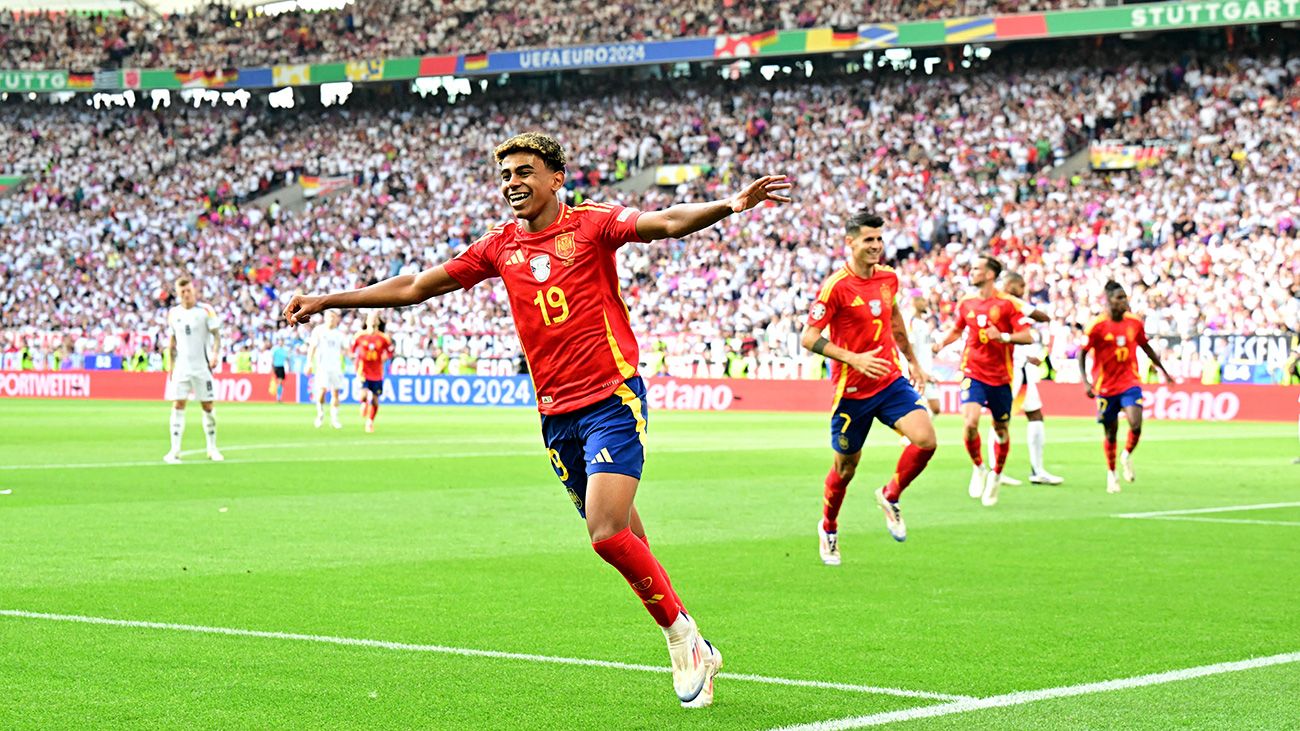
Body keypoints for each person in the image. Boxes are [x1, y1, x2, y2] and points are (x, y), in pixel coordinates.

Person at [282, 131, 791, 708]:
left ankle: (683, 640)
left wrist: (731, 205)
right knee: (626, 535)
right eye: (505, 176)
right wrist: (329, 299)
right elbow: (417, 287)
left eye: (524, 172)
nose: (513, 184)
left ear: (555, 178)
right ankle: (692, 633)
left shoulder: (594, 224)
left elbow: (666, 221)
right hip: (554, 415)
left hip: (610, 398)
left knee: (603, 531)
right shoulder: (499, 247)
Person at [802, 211, 936, 565]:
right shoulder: (836, 286)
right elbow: (809, 337)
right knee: (846, 468)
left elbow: (895, 322)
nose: (876, 246)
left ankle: (890, 495)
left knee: (926, 440)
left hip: (890, 380)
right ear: (850, 243)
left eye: (879, 239)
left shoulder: (889, 279)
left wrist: (914, 361)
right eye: (868, 240)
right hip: (852, 392)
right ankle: (828, 528)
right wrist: (854, 359)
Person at [933, 256, 1033, 507]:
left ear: (989, 274)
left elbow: (1027, 336)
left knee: (1001, 430)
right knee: (970, 423)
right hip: (972, 371)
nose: (971, 271)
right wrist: (941, 343)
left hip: (1000, 377)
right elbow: (957, 329)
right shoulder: (966, 302)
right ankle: (978, 467)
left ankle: (996, 475)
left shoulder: (1007, 304)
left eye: (976, 268)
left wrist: (1004, 337)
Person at [1078, 281, 1175, 493]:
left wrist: (1163, 371)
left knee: (1136, 424)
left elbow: (1146, 347)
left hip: (1129, 381)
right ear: (1109, 300)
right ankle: (1111, 473)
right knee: (1111, 433)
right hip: (1105, 386)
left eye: (1125, 297)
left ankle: (1127, 455)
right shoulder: (1096, 326)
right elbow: (1082, 353)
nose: (1124, 302)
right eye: (1119, 298)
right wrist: (1085, 380)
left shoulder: (1134, 323)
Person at [997, 272, 1064, 485]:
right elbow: (1042, 316)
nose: (1024, 289)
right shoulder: (1007, 301)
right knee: (1002, 418)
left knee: (1035, 414)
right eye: (1020, 285)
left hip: (1022, 366)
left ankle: (1037, 470)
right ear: (1009, 285)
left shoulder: (1007, 306)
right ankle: (995, 470)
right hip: (1009, 369)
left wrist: (1026, 356)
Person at [163, 276, 223, 464]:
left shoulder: (206, 311)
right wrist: (170, 366)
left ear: (194, 290)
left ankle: (212, 448)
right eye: (182, 292)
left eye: (188, 290)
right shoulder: (173, 313)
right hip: (181, 367)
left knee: (207, 406)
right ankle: (175, 450)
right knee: (178, 405)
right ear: (178, 293)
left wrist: (214, 354)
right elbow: (172, 342)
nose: (186, 294)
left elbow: (216, 336)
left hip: (202, 366)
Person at [352, 311, 394, 433]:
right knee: (364, 395)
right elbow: (352, 349)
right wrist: (356, 358)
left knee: (375, 400)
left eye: (375, 318)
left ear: (378, 321)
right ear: (366, 321)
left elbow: (390, 351)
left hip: (377, 373)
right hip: (363, 370)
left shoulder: (383, 337)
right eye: (371, 318)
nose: (373, 320)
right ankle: (363, 403)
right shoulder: (359, 336)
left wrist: (386, 357)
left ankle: (370, 422)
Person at [306, 310, 348, 429]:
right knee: (322, 391)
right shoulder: (318, 331)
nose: (331, 319)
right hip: (322, 367)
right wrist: (309, 363)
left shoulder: (340, 334)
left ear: (336, 319)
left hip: (336, 367)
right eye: (329, 316)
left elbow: (345, 350)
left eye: (333, 317)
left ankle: (334, 419)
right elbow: (312, 347)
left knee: (335, 393)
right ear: (325, 318)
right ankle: (320, 414)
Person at [270, 338, 289, 402]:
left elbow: (286, 358)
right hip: (277, 366)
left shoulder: (284, 350)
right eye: (279, 342)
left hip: (282, 367)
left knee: (280, 382)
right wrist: (272, 366)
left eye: (281, 342)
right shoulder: (275, 349)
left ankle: (279, 397)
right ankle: (278, 397)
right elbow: (272, 358)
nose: (280, 343)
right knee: (279, 382)